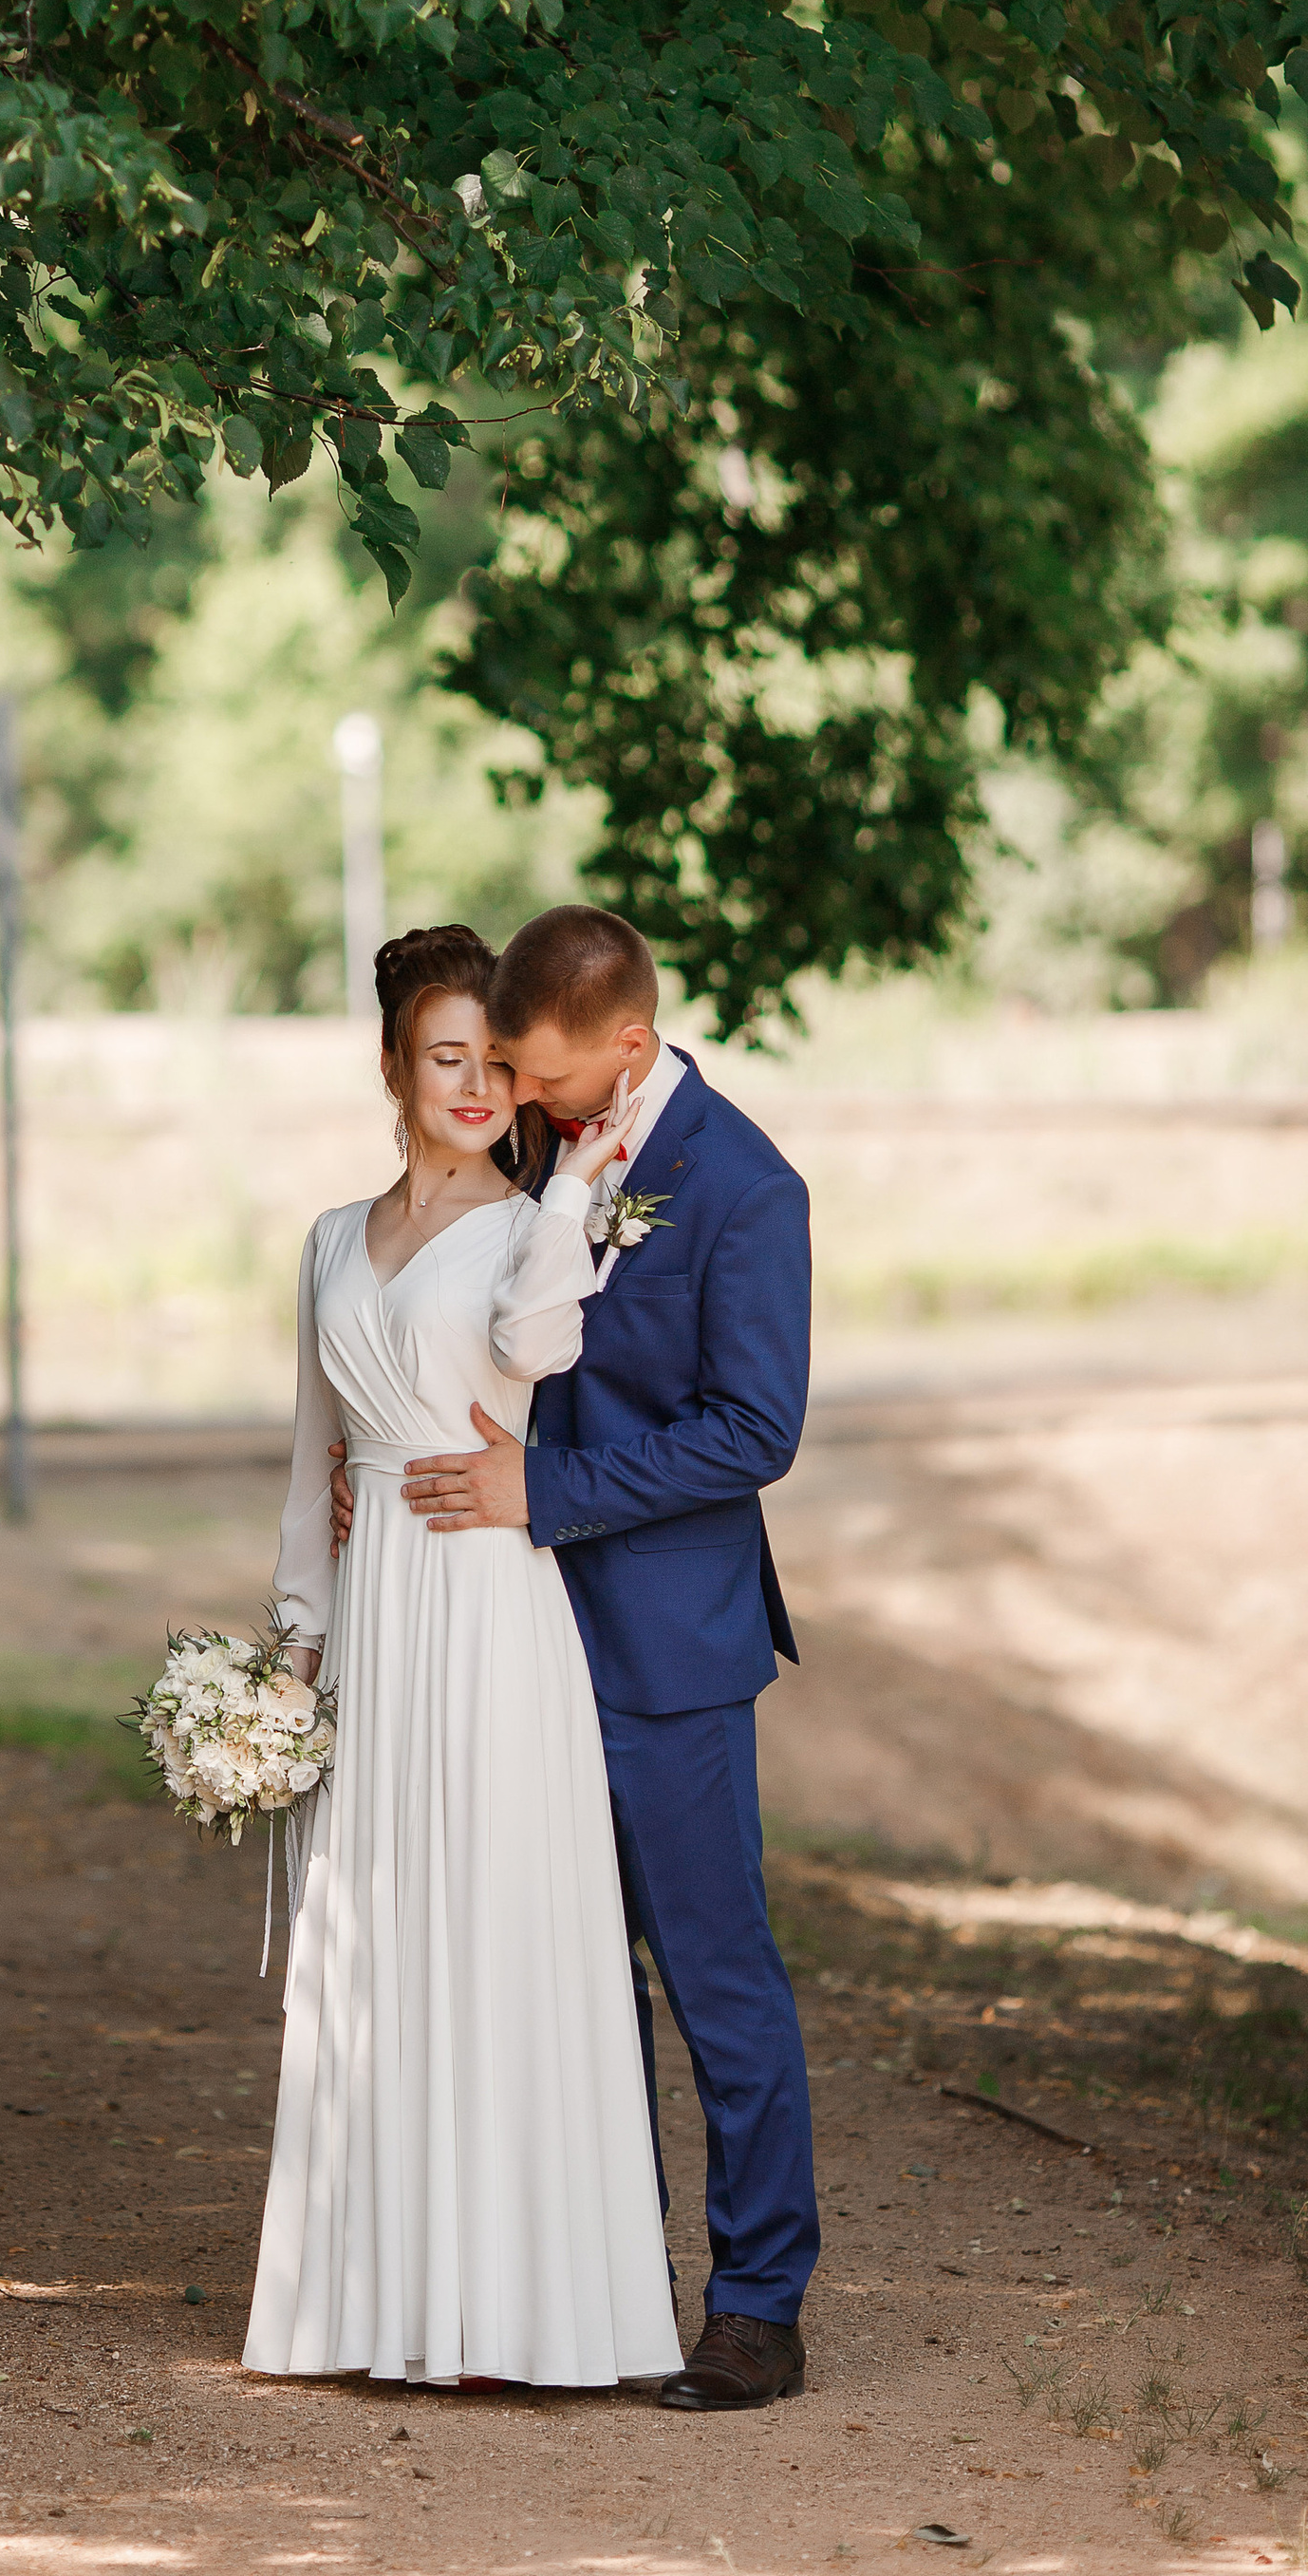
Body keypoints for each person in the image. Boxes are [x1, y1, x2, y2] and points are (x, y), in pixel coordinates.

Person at [335, 904, 817, 2412]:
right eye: (514, 1086)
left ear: (629, 1038)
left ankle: (758, 2308)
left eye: (547, 1084)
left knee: (713, 1974)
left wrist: (544, 1493)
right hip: (505, 1642)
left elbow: (756, 1430)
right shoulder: (548, 1144)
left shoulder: (744, 1186)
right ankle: (589, 2289)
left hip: (664, 1643)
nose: (524, 1110)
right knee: (561, 1982)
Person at [241, 924, 681, 2395]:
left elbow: (543, 1354)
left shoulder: (534, 1224)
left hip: (491, 1605)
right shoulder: (324, 1241)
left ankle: (514, 2310)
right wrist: (292, 1650)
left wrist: (562, 1202)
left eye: (499, 1060)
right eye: (449, 1059)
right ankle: (373, 2303)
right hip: (376, 1619)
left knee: (493, 1929)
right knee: (377, 1937)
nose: (480, 1083)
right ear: (394, 1067)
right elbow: (315, 1464)